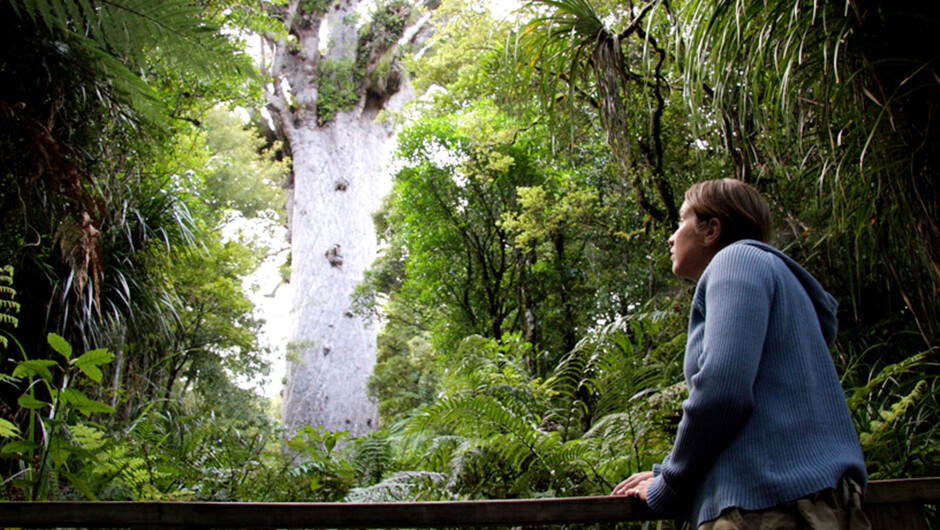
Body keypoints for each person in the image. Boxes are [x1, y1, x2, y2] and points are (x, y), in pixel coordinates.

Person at [612, 179, 869, 529]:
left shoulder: (735, 260)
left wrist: (669, 486)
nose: (671, 238)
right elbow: (769, 419)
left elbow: (723, 389)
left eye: (680, 221)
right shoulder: (778, 282)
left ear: (711, 229)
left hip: (767, 510)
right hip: (810, 501)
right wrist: (667, 470)